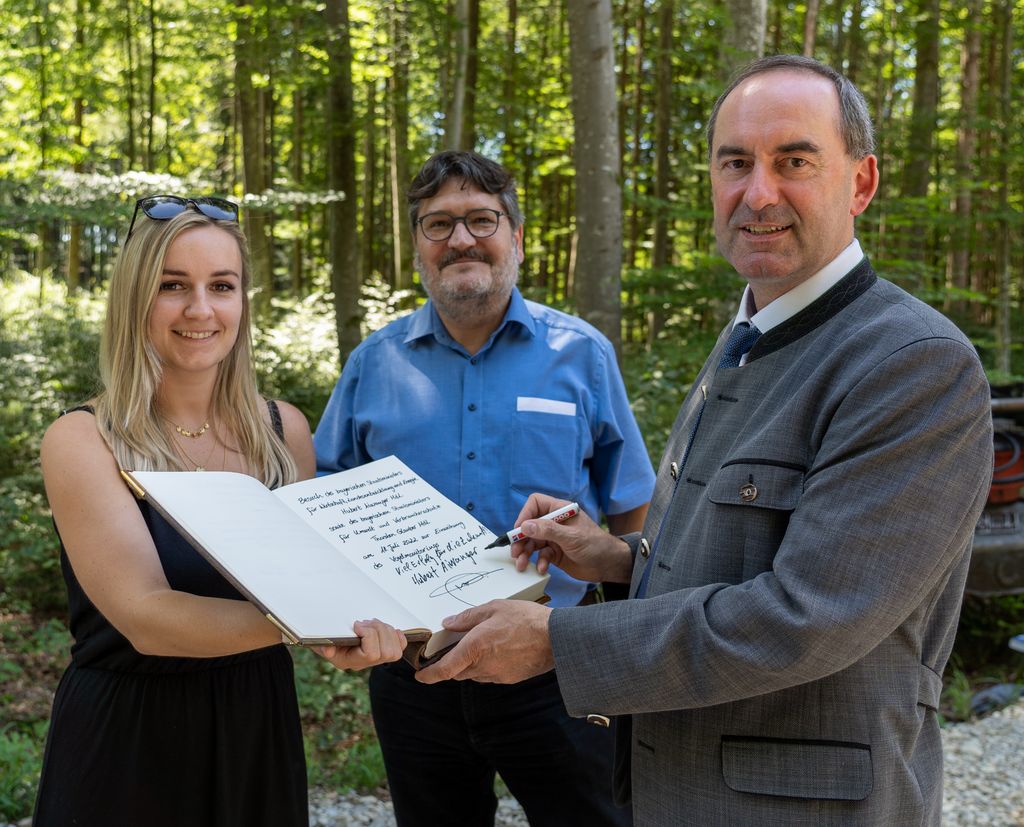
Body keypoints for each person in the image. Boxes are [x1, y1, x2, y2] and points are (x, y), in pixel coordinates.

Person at [416, 56, 995, 825]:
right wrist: (616, 558)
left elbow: (807, 616)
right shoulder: (746, 337)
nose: (759, 193)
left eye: (794, 161)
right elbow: (741, 556)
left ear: (861, 182)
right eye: (735, 163)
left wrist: (561, 639)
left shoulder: (911, 362)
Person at [33, 196, 406, 826]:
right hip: (129, 739)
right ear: (134, 298)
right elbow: (147, 617)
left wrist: (380, 619)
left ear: (243, 302)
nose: (200, 309)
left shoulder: (283, 431)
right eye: (172, 285)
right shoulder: (84, 438)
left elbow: (314, 583)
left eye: (222, 286)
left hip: (256, 726)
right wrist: (317, 624)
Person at [314, 150, 655, 826]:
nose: (461, 239)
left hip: (556, 667)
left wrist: (618, 636)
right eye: (438, 224)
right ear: (418, 246)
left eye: (481, 220)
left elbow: (630, 508)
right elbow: (324, 506)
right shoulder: (372, 364)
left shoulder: (581, 354)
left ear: (517, 238)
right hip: (415, 672)